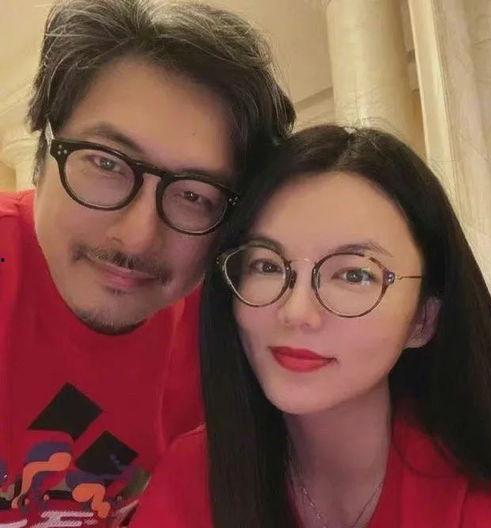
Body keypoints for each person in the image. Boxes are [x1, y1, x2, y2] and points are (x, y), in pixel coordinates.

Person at [0, 0, 294, 525]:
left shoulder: (233, 329)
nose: (138, 237)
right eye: (106, 163)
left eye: (194, 195)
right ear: (44, 147)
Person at [131, 125, 491, 528]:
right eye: (267, 265)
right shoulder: (191, 478)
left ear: (423, 319)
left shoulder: (476, 499)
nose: (296, 311)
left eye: (354, 275)